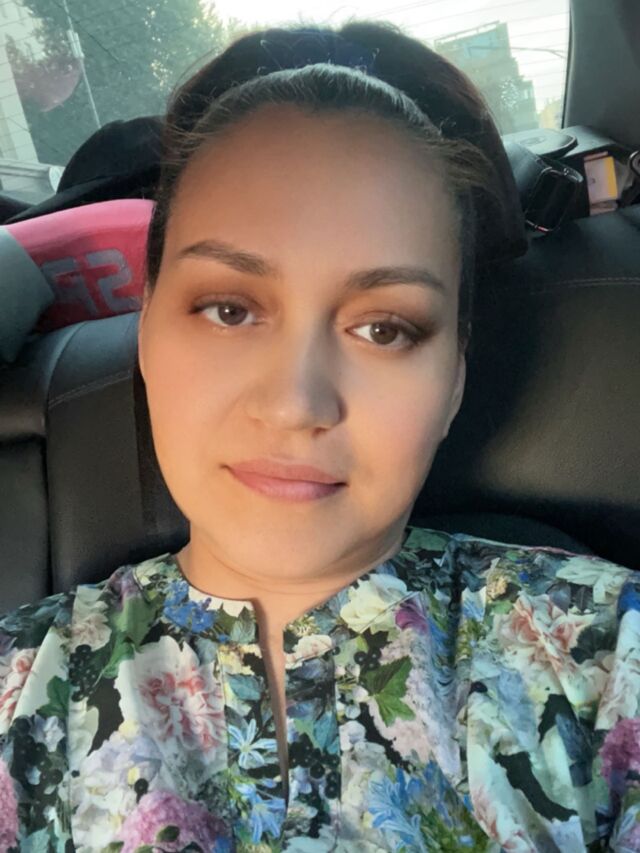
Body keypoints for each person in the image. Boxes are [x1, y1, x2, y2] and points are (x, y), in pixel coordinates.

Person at [1, 20, 639, 853]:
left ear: (454, 376)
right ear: (147, 330)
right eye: (229, 309)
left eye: (384, 328)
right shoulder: (17, 692)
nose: (295, 403)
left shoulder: (609, 662)